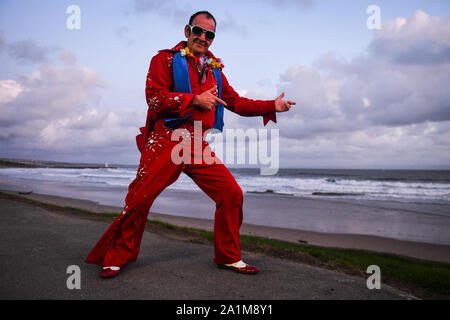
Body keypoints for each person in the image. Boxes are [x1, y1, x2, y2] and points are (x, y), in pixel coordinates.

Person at [85, 10, 295, 278]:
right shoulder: (164, 60)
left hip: (197, 143)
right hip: (166, 139)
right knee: (139, 200)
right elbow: (155, 99)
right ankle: (118, 255)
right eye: (199, 31)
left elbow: (236, 103)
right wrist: (194, 100)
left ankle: (228, 256)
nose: (203, 38)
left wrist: (271, 105)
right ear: (187, 31)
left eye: (210, 35)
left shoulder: (215, 69)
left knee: (231, 194)